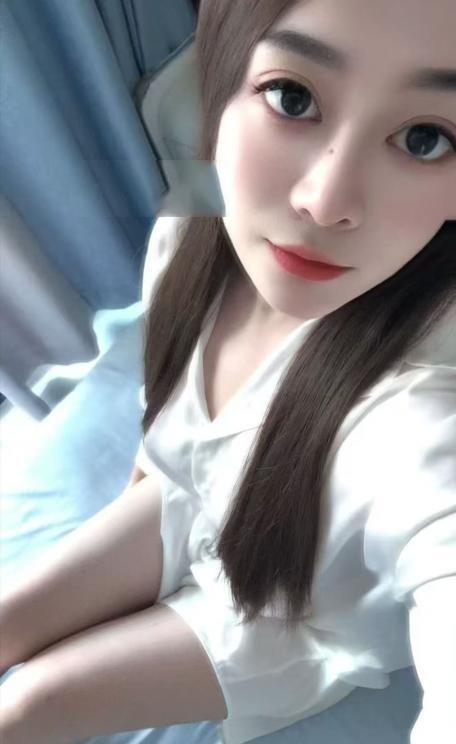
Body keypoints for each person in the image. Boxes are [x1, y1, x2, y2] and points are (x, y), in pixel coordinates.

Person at [1, 1, 455, 743]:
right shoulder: (192, 231)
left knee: (27, 706)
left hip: (281, 612)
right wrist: (144, 493)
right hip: (189, 506)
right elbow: (166, 432)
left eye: (425, 138)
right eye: (293, 97)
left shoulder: (415, 415)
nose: (325, 202)